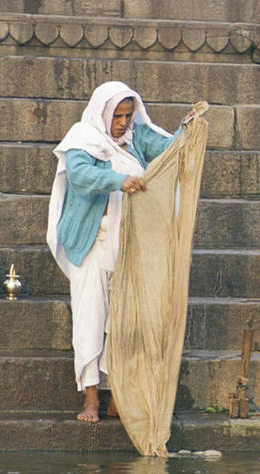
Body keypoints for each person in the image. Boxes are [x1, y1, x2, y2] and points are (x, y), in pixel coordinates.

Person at [46, 81, 185, 423]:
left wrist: (189, 128)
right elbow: (80, 176)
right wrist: (118, 181)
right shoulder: (83, 138)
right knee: (90, 317)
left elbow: (172, 150)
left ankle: (117, 396)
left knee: (123, 322)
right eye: (117, 115)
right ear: (102, 113)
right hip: (91, 243)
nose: (123, 122)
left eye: (128, 114)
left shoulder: (136, 138)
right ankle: (91, 400)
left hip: (129, 246)